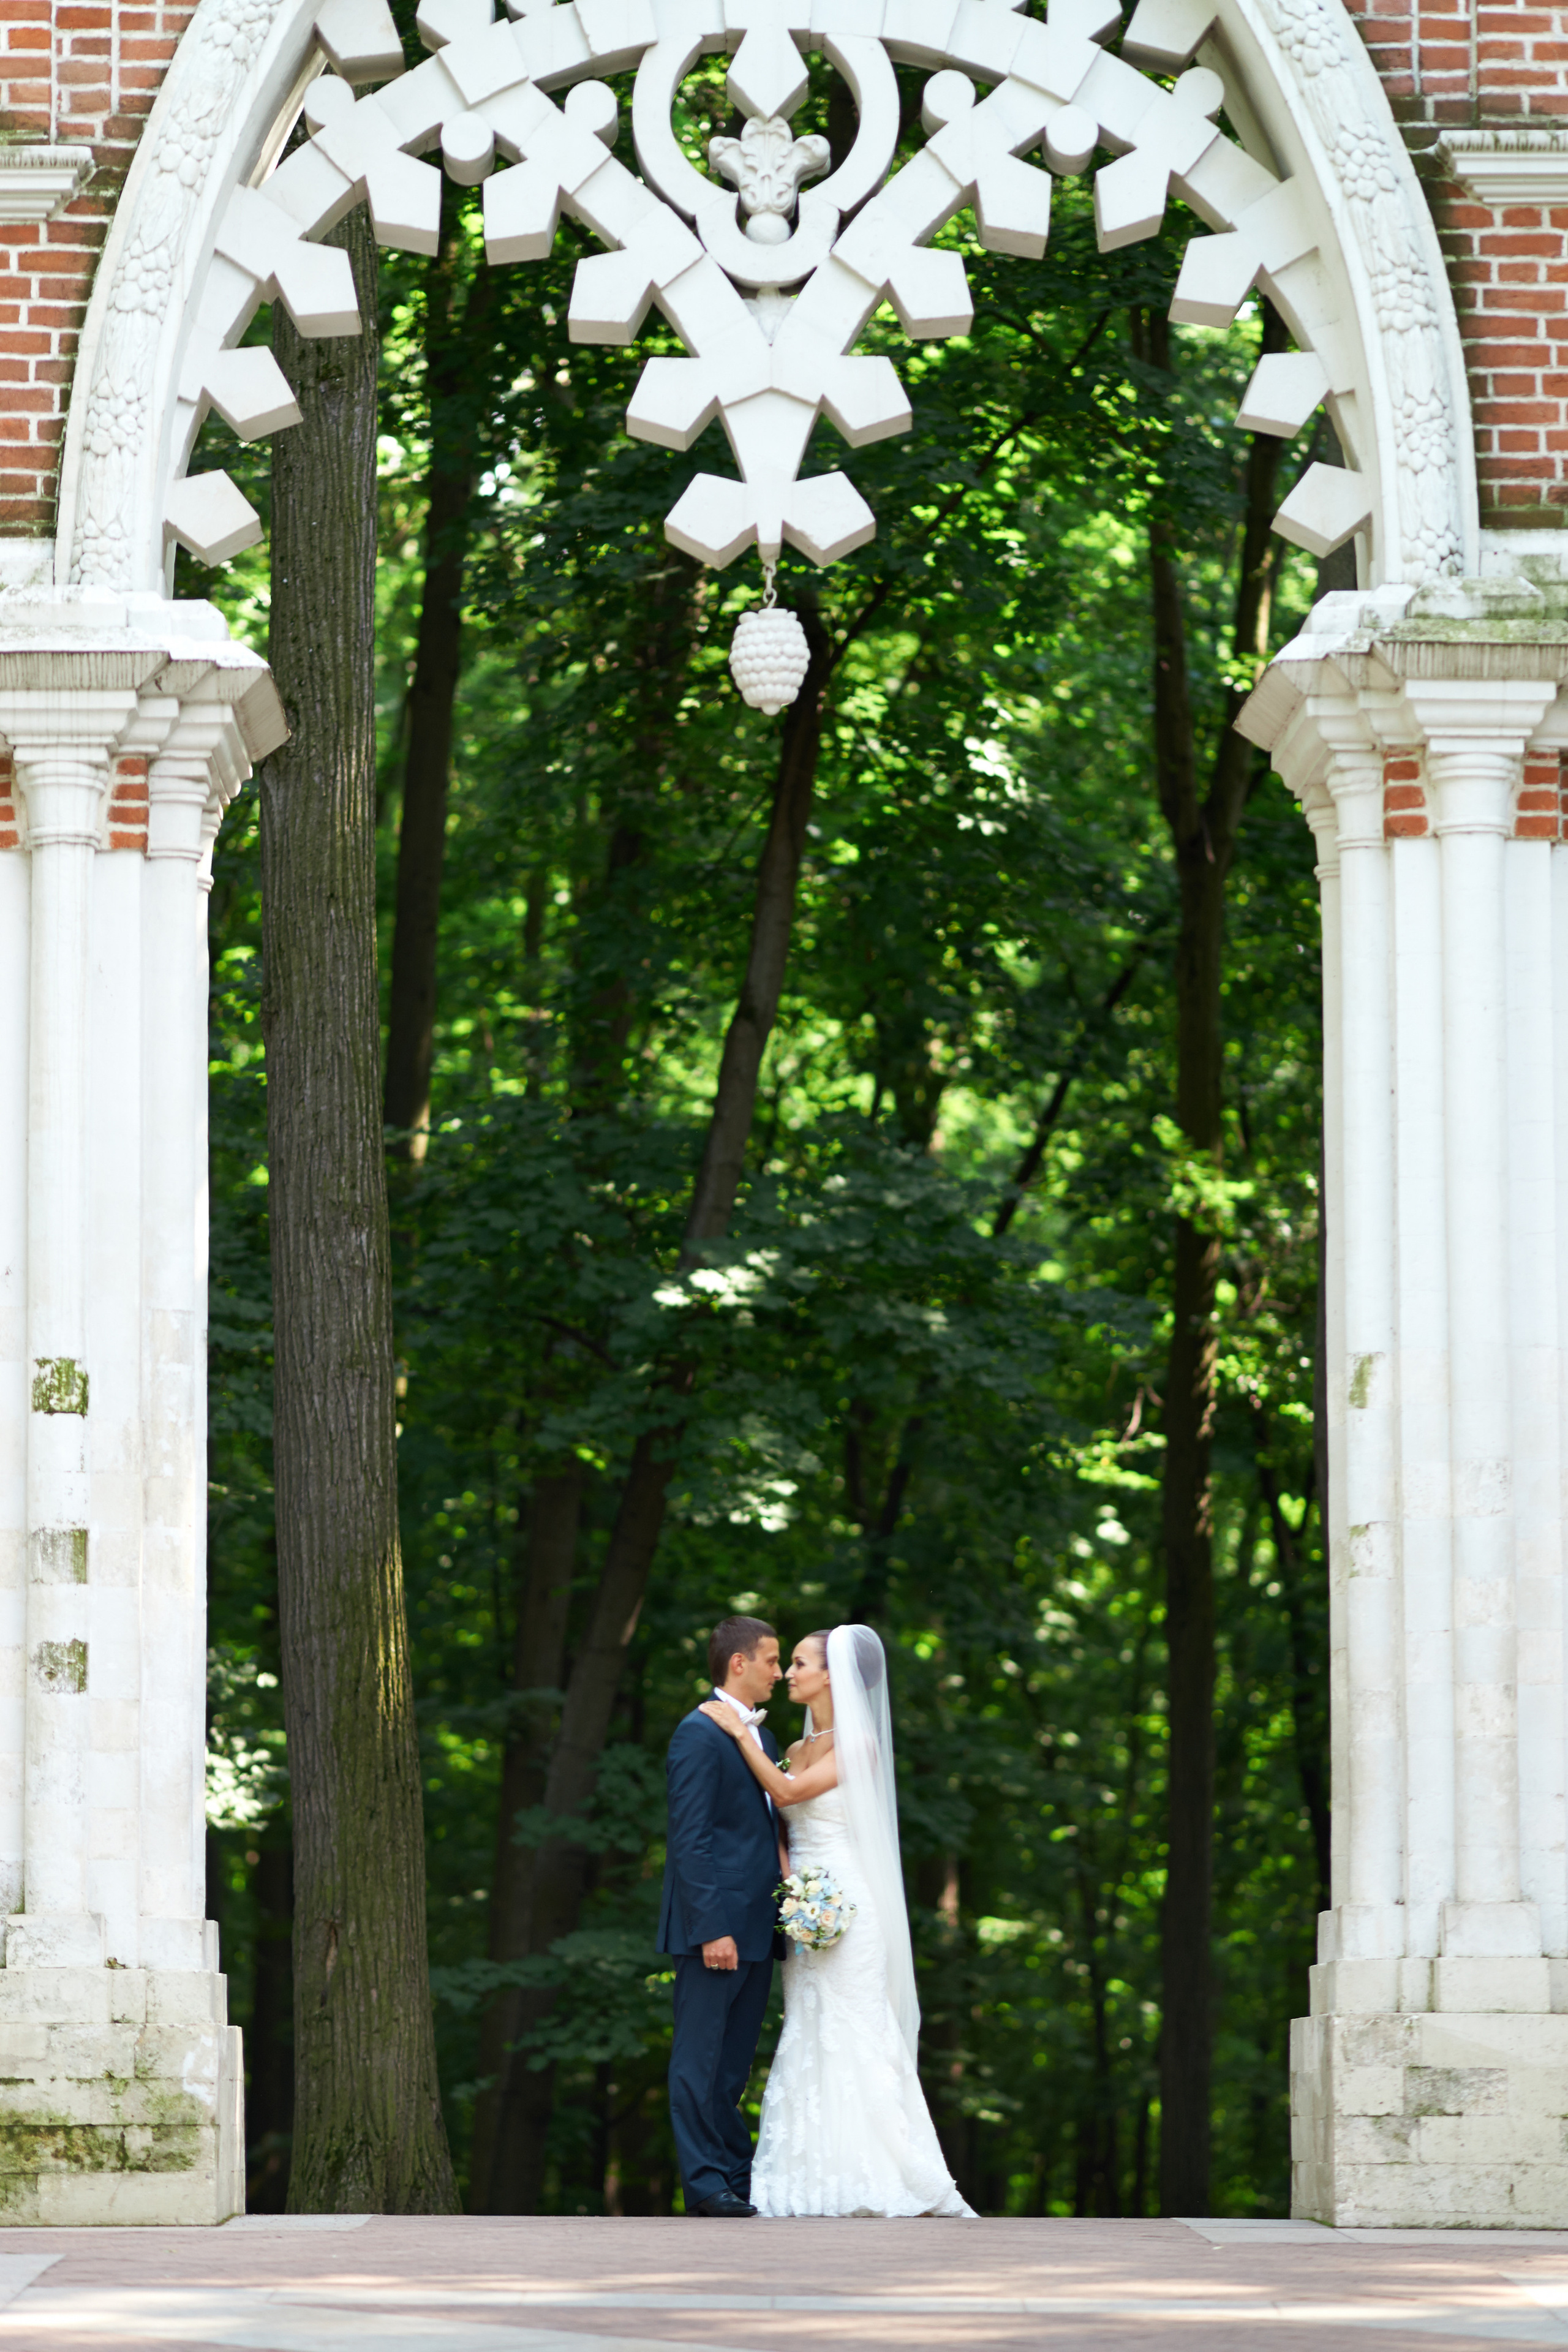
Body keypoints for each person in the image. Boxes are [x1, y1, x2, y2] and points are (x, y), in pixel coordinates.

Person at [699, 1623, 974, 2219]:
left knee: (855, 2028)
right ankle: (812, 2177)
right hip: (805, 1906)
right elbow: (780, 1825)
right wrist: (789, 1892)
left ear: (831, 1676)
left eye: (799, 1663)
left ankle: (888, 2172)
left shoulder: (858, 1744)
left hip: (850, 1906)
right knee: (810, 2031)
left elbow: (789, 1794)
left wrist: (738, 1733)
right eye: (787, 1663)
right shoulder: (796, 1746)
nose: (787, 1673)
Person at [658, 1613, 785, 2217]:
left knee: (733, 2066)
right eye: (772, 1660)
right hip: (717, 1928)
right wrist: (712, 1927)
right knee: (698, 2061)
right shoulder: (697, 1733)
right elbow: (690, 1839)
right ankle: (706, 2183)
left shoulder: (763, 1736)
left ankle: (736, 2176)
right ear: (740, 1663)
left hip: (759, 1928)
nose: (780, 1673)